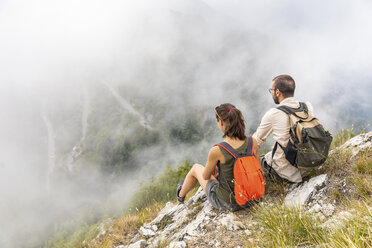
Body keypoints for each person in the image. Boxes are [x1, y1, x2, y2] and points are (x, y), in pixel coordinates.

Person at [176, 103, 260, 211]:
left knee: (196, 168)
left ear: (221, 122)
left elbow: (205, 176)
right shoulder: (253, 142)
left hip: (230, 203)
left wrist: (215, 169)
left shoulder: (218, 150)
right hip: (253, 198)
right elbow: (258, 170)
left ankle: (180, 196)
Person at [253, 75, 314, 183]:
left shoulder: (273, 114)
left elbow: (254, 142)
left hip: (285, 172)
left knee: (258, 161)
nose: (271, 93)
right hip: (309, 166)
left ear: (277, 92)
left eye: (271, 90)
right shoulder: (307, 106)